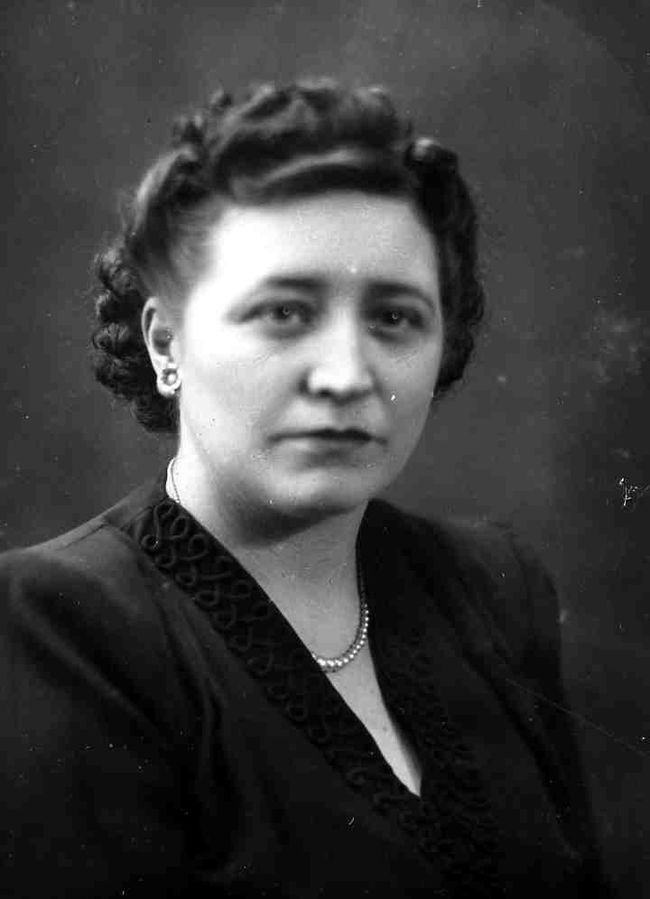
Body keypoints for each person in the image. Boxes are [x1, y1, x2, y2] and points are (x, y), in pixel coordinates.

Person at [0, 79, 608, 897]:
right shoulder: (60, 626)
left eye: (394, 317)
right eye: (285, 312)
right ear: (166, 343)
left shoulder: (494, 588)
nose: (346, 375)